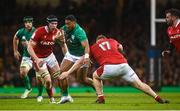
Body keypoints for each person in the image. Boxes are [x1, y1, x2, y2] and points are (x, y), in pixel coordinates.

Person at [90, 35, 169, 104]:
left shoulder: (94, 46)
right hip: (124, 65)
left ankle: (101, 98)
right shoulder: (112, 40)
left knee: (95, 76)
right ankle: (157, 98)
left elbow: (90, 60)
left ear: (97, 41)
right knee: (139, 84)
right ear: (105, 39)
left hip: (108, 67)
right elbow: (121, 47)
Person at [27, 15, 67, 103]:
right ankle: (51, 98)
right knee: (48, 81)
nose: (54, 25)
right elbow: (29, 47)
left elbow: (63, 44)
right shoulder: (39, 32)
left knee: (60, 77)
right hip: (39, 58)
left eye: (56, 24)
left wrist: (67, 56)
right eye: (52, 24)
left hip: (50, 56)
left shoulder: (57, 32)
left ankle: (65, 96)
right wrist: (37, 60)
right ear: (48, 23)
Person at [57, 15, 94, 104]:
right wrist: (57, 39)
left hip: (81, 56)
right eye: (65, 23)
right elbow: (59, 38)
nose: (66, 25)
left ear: (74, 23)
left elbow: (86, 46)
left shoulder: (79, 32)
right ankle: (66, 96)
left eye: (68, 24)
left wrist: (86, 57)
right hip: (71, 54)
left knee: (82, 80)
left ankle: (98, 89)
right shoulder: (64, 28)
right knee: (61, 74)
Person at [13, 16, 44, 102]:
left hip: (37, 57)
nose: (28, 24)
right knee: (23, 73)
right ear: (24, 23)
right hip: (27, 57)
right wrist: (15, 51)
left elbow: (41, 44)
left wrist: (29, 45)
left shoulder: (37, 31)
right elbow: (15, 38)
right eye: (26, 22)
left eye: (30, 22)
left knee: (39, 77)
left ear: (32, 23)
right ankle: (28, 88)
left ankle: (40, 95)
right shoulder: (21, 31)